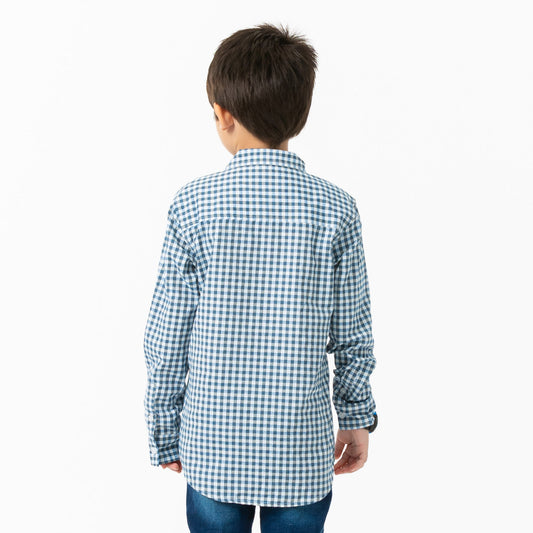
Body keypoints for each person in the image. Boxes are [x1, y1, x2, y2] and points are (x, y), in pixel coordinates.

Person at [143, 22, 378, 533]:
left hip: (213, 447)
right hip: (300, 450)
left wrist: (163, 427)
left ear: (223, 114)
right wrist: (357, 416)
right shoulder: (336, 210)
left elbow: (166, 335)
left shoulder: (193, 207)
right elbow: (353, 332)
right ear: (300, 114)